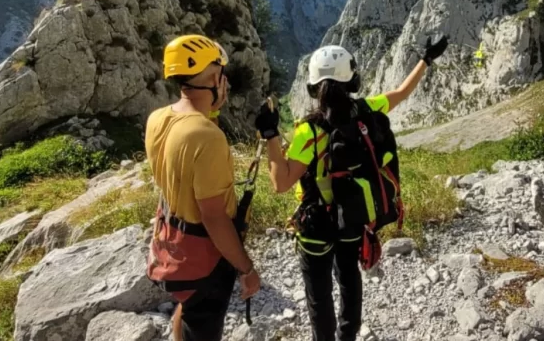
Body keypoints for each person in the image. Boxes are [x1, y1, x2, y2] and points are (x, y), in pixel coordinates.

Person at [256, 36, 448, 341]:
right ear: (352, 80)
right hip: (351, 217)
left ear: (314, 86)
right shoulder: (366, 110)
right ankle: (348, 335)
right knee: (348, 280)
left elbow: (280, 183)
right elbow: (401, 93)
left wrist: (271, 137)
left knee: (319, 295)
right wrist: (426, 58)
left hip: (315, 223)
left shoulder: (308, 131)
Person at [146, 34, 261, 341]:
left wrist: (211, 111)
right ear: (214, 77)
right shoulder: (207, 136)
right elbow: (214, 217)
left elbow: (185, 153)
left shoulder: (158, 119)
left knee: (187, 310)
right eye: (220, 74)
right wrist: (246, 268)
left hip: (168, 244)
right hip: (202, 260)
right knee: (203, 327)